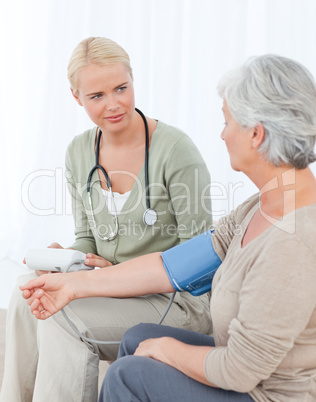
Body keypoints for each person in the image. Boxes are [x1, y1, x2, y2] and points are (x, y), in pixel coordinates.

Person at [20, 54, 316, 401]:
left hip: (267, 394)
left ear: (256, 133)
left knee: (130, 375)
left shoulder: (293, 241)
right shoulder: (258, 209)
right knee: (136, 337)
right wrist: (75, 284)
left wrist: (165, 349)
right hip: (248, 376)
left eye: (227, 123)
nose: (222, 136)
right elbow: (171, 266)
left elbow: (239, 369)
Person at [0, 37, 214, 402]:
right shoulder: (80, 151)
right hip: (112, 292)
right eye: (97, 96)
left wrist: (109, 277)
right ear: (76, 97)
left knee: (60, 317)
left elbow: (200, 261)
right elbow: (87, 237)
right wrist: (68, 258)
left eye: (121, 89)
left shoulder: (176, 150)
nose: (113, 105)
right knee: (26, 294)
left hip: (175, 302)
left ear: (133, 80)